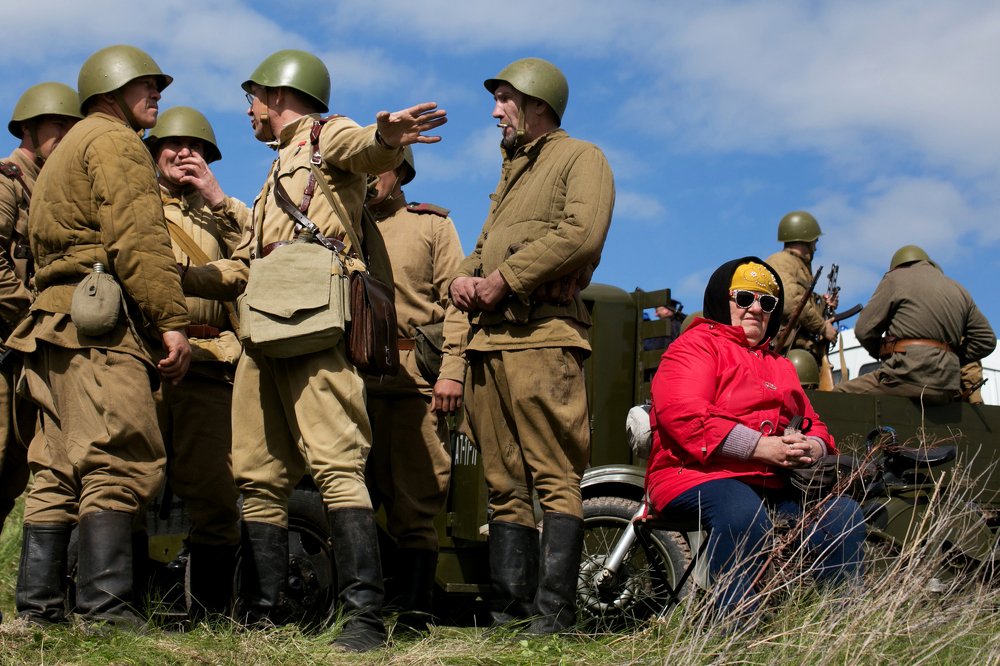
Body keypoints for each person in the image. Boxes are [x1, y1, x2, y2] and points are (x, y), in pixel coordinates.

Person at [181, 48, 446, 651]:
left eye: (252, 97)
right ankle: (266, 613)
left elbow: (366, 150)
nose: (248, 109)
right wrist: (179, 276)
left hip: (316, 323)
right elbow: (244, 266)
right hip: (261, 331)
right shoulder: (274, 171)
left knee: (335, 465)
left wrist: (385, 135)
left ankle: (363, 620)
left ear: (278, 95)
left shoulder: (330, 136)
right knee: (255, 474)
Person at [8, 44, 191, 628]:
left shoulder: (61, 156)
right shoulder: (114, 142)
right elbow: (138, 238)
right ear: (109, 89)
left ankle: (39, 611)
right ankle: (107, 613)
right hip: (98, 328)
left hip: (51, 328)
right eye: (144, 84)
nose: (156, 92)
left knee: (57, 469)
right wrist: (172, 322)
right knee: (117, 457)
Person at [449, 57, 615, 634]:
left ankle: (553, 616)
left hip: (543, 338)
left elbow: (581, 232)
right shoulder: (511, 173)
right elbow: (483, 247)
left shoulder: (581, 157)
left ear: (537, 102)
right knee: (502, 483)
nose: (496, 112)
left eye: (504, 100)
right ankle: (510, 612)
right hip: (490, 344)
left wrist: (504, 279)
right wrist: (462, 278)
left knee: (553, 477)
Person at [645, 258, 864, 618]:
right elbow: (683, 415)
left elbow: (815, 424)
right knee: (743, 512)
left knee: (841, 515)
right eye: (744, 297)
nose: (756, 309)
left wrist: (812, 446)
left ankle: (834, 625)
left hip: (768, 483)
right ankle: (733, 624)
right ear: (721, 299)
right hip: (694, 474)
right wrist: (762, 447)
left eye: (767, 302)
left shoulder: (778, 365)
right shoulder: (695, 346)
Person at [144, 106, 250, 618]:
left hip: (210, 365)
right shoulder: (135, 203)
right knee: (126, 482)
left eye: (198, 147)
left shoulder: (220, 213)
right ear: (152, 151)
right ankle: (114, 609)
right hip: (145, 359)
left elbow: (260, 256)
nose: (185, 152)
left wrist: (215, 198)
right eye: (173, 143)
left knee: (215, 493)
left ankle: (212, 618)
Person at [363, 145, 466, 629]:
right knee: (348, 495)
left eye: (378, 169)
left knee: (417, 499)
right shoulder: (339, 230)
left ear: (401, 170)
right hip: (352, 381)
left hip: (412, 381)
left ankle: (415, 613)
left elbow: (458, 305)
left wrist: (452, 370)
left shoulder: (431, 226)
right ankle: (357, 610)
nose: (370, 179)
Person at [0, 82, 81, 547]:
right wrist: (28, 313)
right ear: (29, 127)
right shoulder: (7, 181)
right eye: (57, 125)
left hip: (22, 348)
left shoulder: (46, 190)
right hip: (6, 339)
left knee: (12, 473)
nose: (66, 134)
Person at [833, 245, 996, 402]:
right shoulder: (959, 289)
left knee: (837, 396)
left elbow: (863, 330)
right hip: (946, 386)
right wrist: (951, 358)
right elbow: (986, 340)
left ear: (897, 267)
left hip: (905, 376)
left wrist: (883, 354)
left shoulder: (895, 279)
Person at [766, 211, 837, 361]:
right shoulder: (782, 262)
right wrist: (822, 328)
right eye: (815, 241)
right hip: (788, 350)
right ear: (807, 240)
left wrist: (824, 304)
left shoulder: (798, 265)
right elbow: (792, 303)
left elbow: (802, 302)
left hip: (801, 348)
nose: (816, 248)